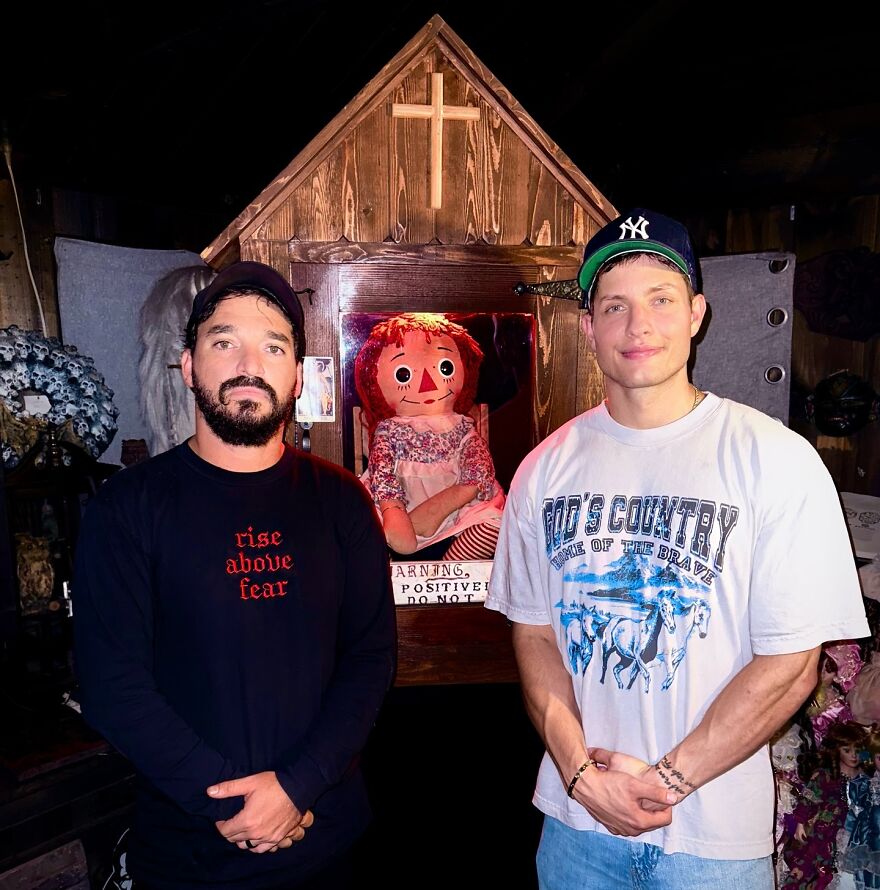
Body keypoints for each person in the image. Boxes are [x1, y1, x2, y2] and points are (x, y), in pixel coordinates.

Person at [484, 207, 869, 889]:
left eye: (661, 300)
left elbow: (792, 665)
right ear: (587, 327)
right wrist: (578, 772)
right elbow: (535, 633)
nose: (639, 326)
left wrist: (666, 780)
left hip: (711, 843)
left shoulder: (776, 459)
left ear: (696, 313)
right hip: (574, 830)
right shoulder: (543, 470)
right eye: (616, 306)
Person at [73, 261, 397, 890]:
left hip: (328, 842)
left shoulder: (342, 500)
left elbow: (371, 658)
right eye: (224, 341)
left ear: (297, 376)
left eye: (273, 346)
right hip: (189, 856)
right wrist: (238, 807)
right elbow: (115, 687)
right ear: (189, 366)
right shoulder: (128, 507)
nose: (249, 362)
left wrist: (297, 787)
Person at [354, 312, 505, 561]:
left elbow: (479, 468)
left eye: (445, 368)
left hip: (458, 516)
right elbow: (382, 471)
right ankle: (395, 577)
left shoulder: (463, 428)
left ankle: (445, 575)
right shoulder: (389, 430)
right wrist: (392, 508)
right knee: (363, 529)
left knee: (494, 524)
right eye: (404, 374)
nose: (427, 384)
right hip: (399, 515)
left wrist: (449, 500)